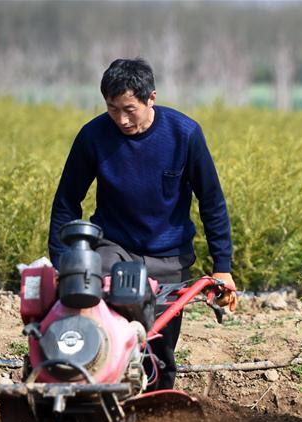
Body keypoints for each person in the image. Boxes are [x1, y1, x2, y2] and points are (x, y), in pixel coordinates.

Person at [48, 57, 236, 391]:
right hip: (114, 247)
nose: (121, 119)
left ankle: (155, 407)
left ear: (152, 98)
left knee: (157, 351)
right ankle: (87, 394)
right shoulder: (93, 137)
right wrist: (64, 262)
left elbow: (212, 203)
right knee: (95, 327)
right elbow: (66, 201)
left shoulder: (185, 134)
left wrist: (222, 268)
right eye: (112, 109)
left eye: (129, 109)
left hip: (168, 255)